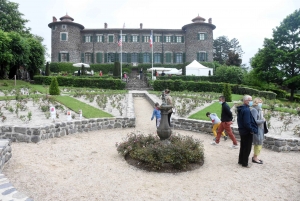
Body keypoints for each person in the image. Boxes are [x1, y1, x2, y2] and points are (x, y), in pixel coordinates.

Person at [237, 95, 258, 168]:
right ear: (245, 101)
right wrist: (251, 130)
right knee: (247, 147)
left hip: (242, 130)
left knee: (243, 146)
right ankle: (245, 163)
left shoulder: (241, 108)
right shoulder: (246, 110)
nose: (251, 101)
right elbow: (247, 123)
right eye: (250, 100)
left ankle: (240, 160)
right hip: (247, 131)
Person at [250, 97, 265, 164]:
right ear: (256, 102)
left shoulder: (259, 109)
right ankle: (255, 158)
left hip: (260, 129)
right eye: (259, 102)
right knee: (258, 144)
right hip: (257, 130)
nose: (260, 103)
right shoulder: (254, 110)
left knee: (259, 143)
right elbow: (254, 121)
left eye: (261, 102)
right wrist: (263, 120)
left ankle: (255, 156)